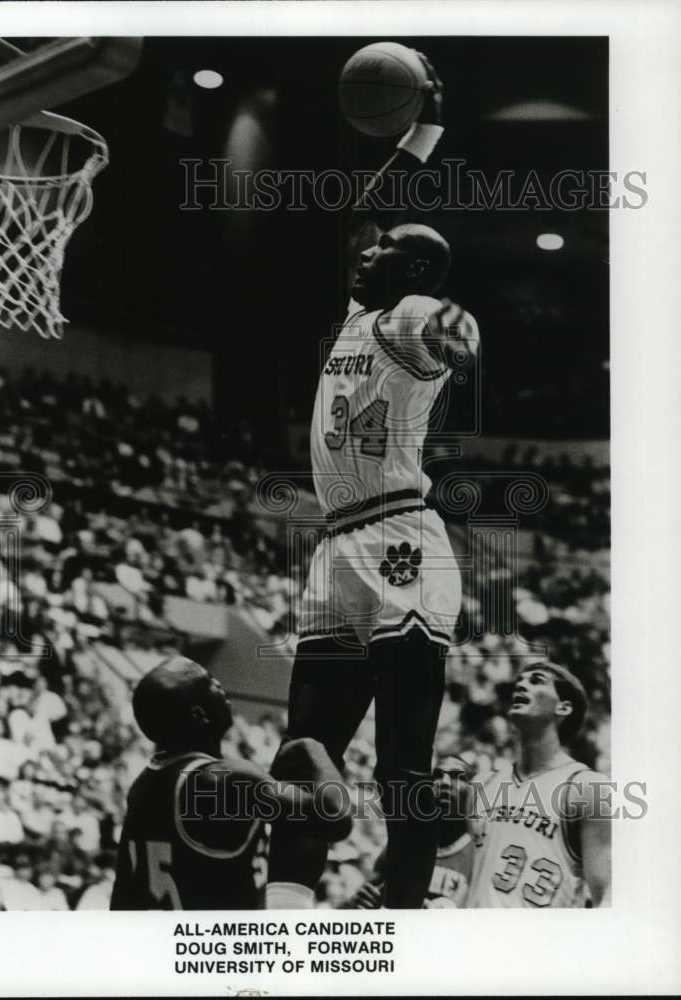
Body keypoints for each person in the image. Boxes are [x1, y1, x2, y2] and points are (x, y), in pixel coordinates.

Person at [267, 50, 479, 910]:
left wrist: (453, 327)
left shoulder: (413, 318)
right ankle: (281, 918)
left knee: (402, 769)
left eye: (386, 249)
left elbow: (453, 327)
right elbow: (364, 206)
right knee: (301, 757)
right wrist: (426, 126)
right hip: (337, 547)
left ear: (414, 272)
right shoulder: (360, 312)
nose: (367, 249)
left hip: (401, 543)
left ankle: (402, 927)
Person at [110, 656, 352, 910]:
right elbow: (336, 819)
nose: (219, 684)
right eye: (209, 682)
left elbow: (122, 900)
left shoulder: (141, 787)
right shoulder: (224, 779)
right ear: (199, 714)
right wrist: (313, 748)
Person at [466, 661, 611, 908]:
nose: (521, 684)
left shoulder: (586, 787)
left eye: (536, 681)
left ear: (563, 707)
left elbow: (607, 896)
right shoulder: (482, 784)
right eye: (520, 681)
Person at [341, 755, 475, 909]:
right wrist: (360, 902)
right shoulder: (401, 845)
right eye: (437, 775)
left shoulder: (481, 853)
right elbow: (363, 898)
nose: (444, 782)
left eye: (457, 777)